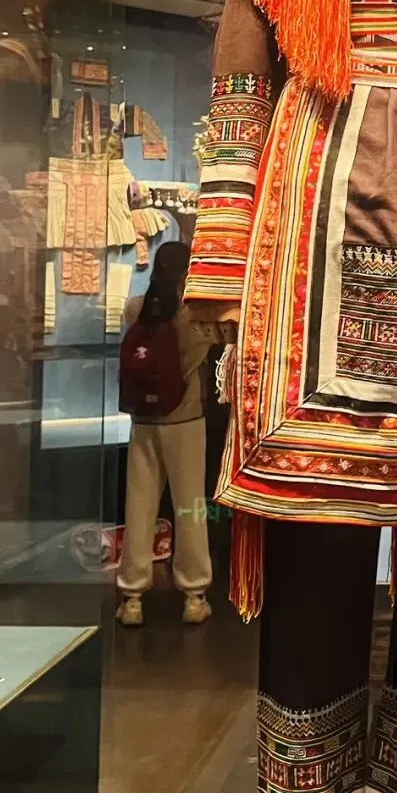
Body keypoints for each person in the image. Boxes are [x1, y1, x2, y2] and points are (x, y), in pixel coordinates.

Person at [116, 240, 220, 626]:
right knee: (190, 506)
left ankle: (132, 598)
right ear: (185, 274)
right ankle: (194, 595)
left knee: (138, 505)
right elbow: (223, 334)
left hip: (143, 423)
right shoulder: (194, 316)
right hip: (185, 421)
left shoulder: (135, 309)